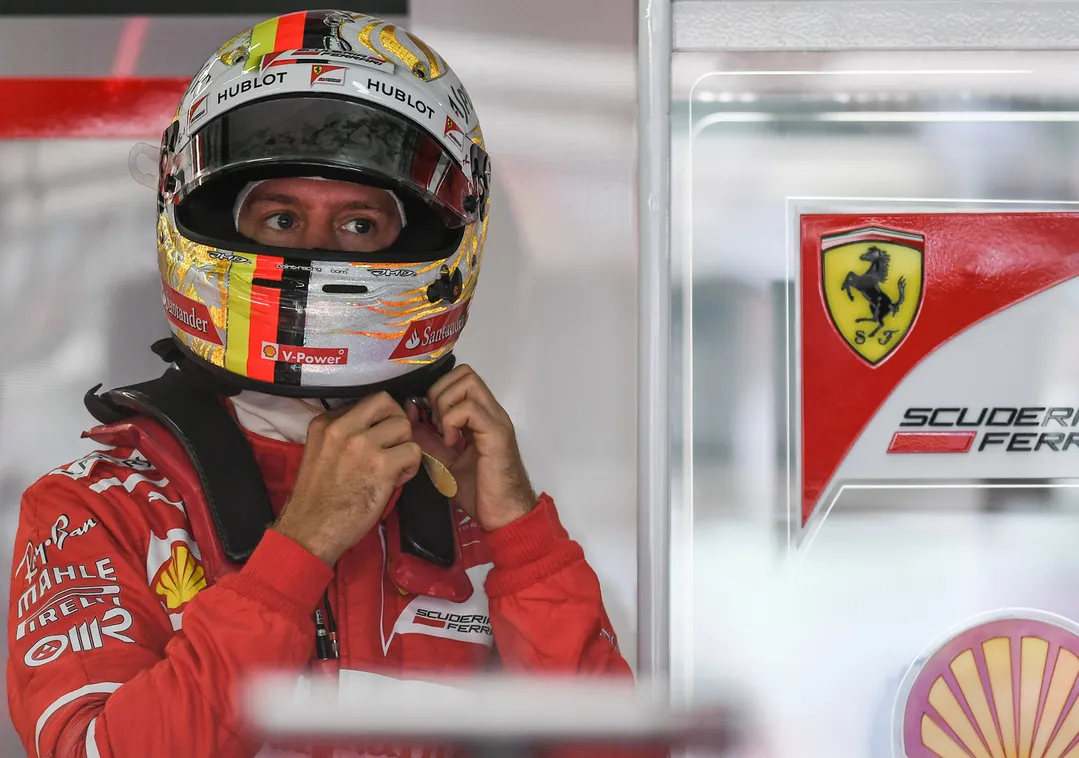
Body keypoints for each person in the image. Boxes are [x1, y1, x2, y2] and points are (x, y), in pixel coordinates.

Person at [6, 10, 634, 757]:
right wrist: (302, 545)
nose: (314, 252)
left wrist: (523, 538)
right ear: (210, 220)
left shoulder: (476, 510)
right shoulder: (99, 506)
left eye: (360, 224)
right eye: (279, 218)